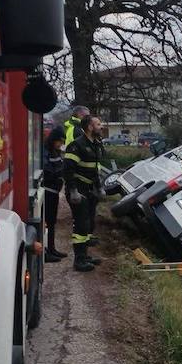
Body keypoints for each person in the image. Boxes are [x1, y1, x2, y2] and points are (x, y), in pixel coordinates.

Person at [63, 115, 105, 271]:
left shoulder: (95, 144)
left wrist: (99, 187)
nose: (101, 126)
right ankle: (79, 261)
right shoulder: (77, 145)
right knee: (81, 225)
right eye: (98, 124)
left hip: (89, 190)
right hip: (78, 190)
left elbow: (94, 170)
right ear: (89, 127)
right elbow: (68, 170)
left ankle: (85, 256)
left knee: (88, 225)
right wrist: (73, 191)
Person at [43, 127, 68, 262]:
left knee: (52, 222)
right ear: (54, 139)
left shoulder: (55, 152)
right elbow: (47, 171)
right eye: (60, 141)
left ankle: (52, 248)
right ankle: (46, 251)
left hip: (54, 192)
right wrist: (60, 174)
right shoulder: (45, 152)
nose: (61, 144)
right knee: (47, 222)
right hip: (47, 192)